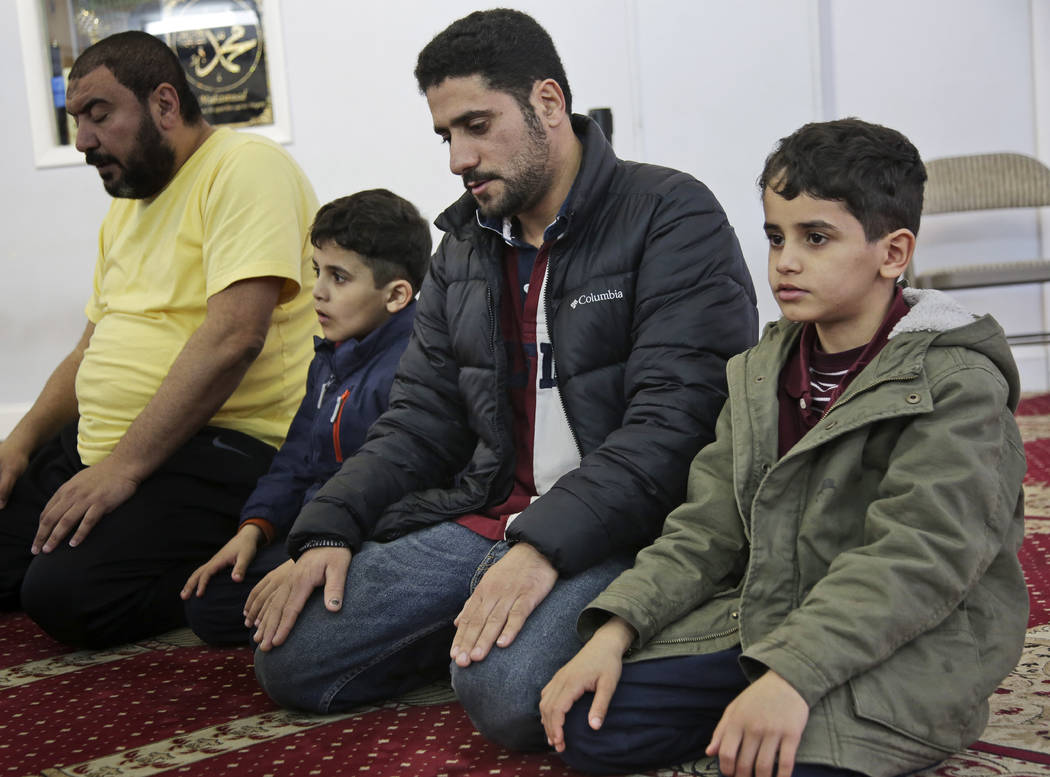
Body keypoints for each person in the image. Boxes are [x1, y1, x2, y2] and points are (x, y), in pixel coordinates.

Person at [249, 7, 758, 750]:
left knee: (505, 694)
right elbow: (418, 420)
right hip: (489, 514)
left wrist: (541, 548)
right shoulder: (461, 248)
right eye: (446, 135)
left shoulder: (670, 214)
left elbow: (676, 427)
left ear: (547, 103)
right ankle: (485, 625)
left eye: (477, 126)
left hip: (625, 527)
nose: (458, 157)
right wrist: (330, 524)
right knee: (290, 655)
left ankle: (547, 632)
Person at [539, 118, 1028, 777]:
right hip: (769, 617)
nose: (786, 261)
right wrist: (618, 628)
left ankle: (796, 710)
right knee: (584, 723)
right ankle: (759, 702)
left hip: (907, 640)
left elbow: (915, 561)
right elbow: (704, 528)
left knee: (782, 766)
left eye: (816, 237)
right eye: (776, 237)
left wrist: (792, 674)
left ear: (893, 252)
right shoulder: (758, 371)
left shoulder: (957, 383)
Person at [0, 31, 319, 649]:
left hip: (226, 447)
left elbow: (234, 337)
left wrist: (122, 469)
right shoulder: (128, 202)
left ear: (164, 105)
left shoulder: (245, 168)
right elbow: (86, 350)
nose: (84, 140)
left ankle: (261, 554)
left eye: (99, 114)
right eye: (75, 120)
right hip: (115, 447)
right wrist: (17, 444)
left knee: (63, 597)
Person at [180, 189, 430, 645]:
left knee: (250, 621)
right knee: (212, 599)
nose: (317, 291)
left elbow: (400, 487)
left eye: (339, 277)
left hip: (370, 538)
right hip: (318, 527)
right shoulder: (330, 359)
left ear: (396, 295)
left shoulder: (412, 365)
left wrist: (323, 544)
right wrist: (255, 528)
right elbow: (297, 456)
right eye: (317, 271)